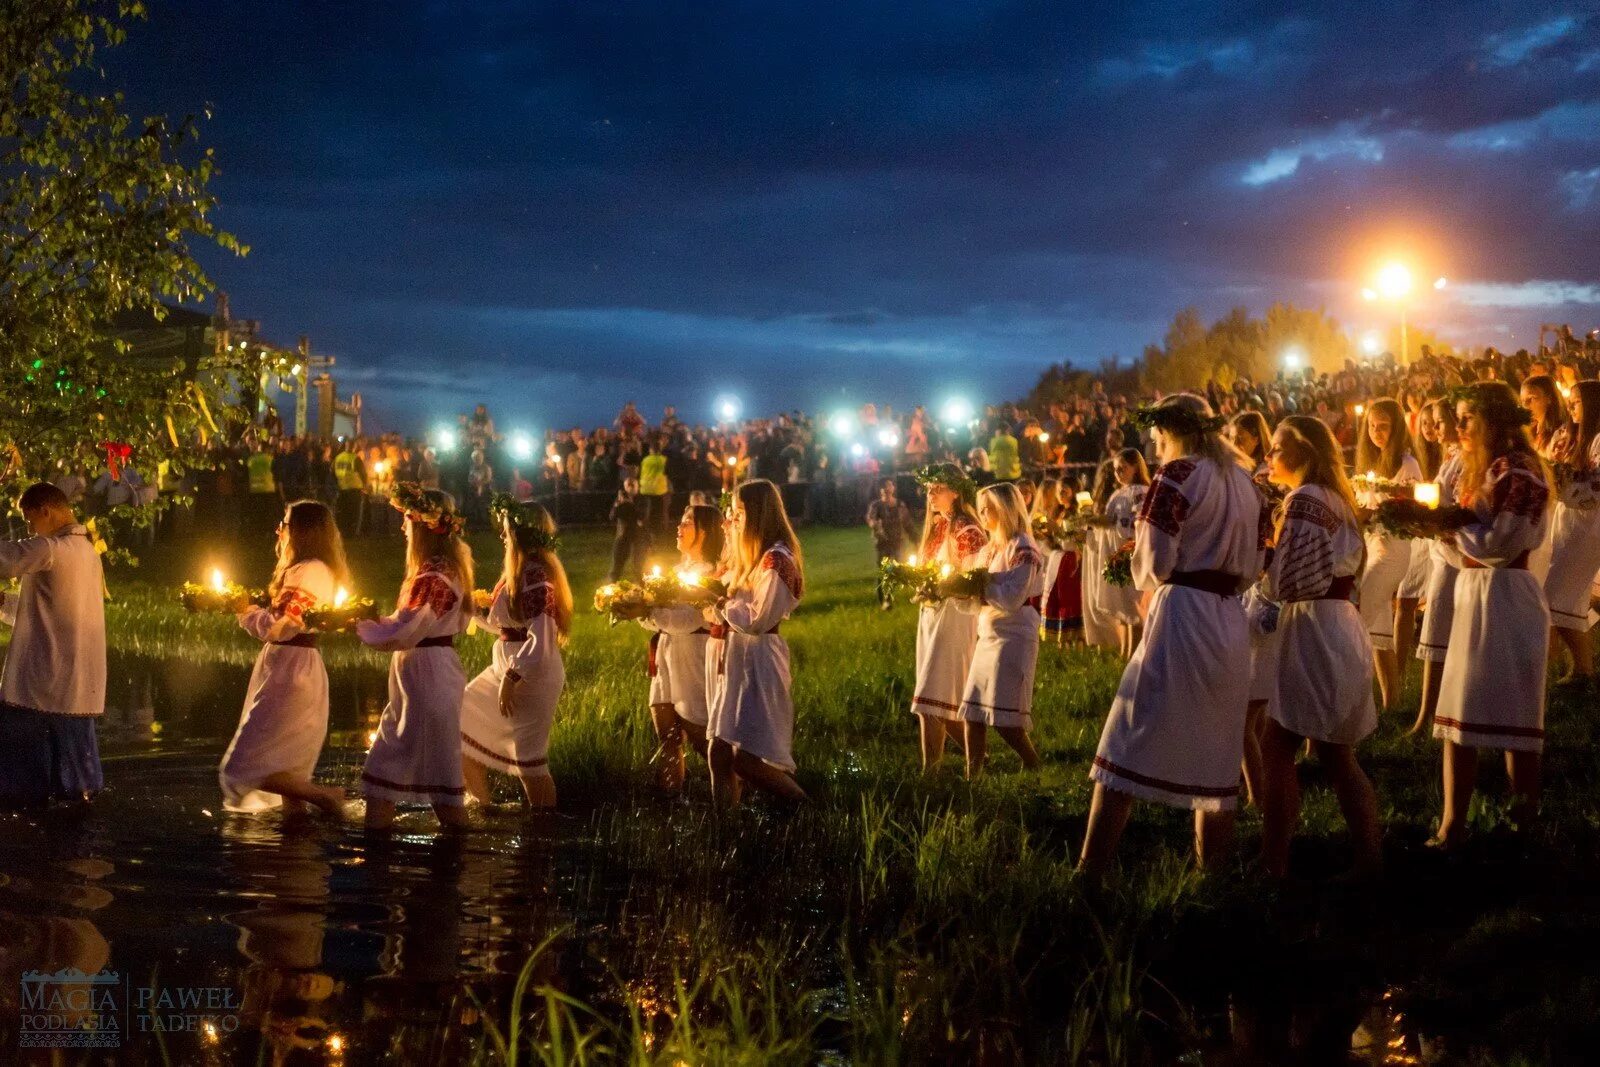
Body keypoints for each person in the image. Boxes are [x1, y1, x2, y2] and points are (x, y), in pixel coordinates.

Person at [1080, 394, 1266, 875]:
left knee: (1129, 731)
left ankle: (1090, 869)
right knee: (1219, 745)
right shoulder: (1246, 483)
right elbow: (1256, 561)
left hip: (1182, 613)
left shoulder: (1177, 475)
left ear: (1168, 433)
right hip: (1229, 619)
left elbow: (1155, 561)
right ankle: (1215, 874)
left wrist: (1140, 563)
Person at [1255, 417, 1382, 879]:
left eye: (1277, 447)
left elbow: (1291, 581)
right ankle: (1369, 857)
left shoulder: (1306, 500)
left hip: (1315, 629)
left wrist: (1266, 547)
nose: (1269, 456)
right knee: (1334, 753)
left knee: (1278, 746)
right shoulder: (1337, 500)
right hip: (1336, 624)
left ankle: (1275, 862)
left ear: (1305, 453)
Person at [1431, 383, 1552, 847]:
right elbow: (1469, 539)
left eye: (1467, 418)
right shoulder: (1478, 469)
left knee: (1516, 722)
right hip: (1476, 591)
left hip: (1507, 597)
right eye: (1456, 418)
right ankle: (1452, 825)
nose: (1458, 427)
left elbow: (1500, 544)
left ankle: (1523, 828)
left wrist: (1445, 527)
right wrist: (1443, 529)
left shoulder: (1519, 470)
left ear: (1494, 421)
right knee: (1459, 716)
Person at [219, 500, 349, 816]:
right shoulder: (304, 570)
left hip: (292, 671)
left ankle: (326, 796)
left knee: (242, 766)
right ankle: (295, 854)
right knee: (288, 777)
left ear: (303, 531)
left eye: (286, 523)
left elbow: (282, 627)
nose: (280, 529)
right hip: (287, 666)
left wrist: (246, 611)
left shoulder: (312, 571)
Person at [356, 486, 474, 831]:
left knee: (404, 775)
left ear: (422, 525)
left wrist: (362, 628)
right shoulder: (439, 568)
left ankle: (384, 865)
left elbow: (411, 627)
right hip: (423, 676)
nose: (402, 529)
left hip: (428, 677)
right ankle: (386, 862)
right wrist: (370, 623)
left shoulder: (435, 573)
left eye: (407, 521)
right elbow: (408, 622)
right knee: (396, 777)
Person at [701, 480, 807, 807]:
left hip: (760, 659)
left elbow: (759, 620)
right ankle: (726, 827)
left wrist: (719, 602)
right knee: (719, 751)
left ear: (758, 514)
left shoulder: (776, 559)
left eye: (741, 513)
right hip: (738, 658)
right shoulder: (754, 557)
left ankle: (804, 806)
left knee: (746, 761)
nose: (734, 521)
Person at [460, 497, 571, 808]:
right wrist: (473, 612)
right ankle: (483, 808)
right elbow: (507, 627)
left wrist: (511, 676)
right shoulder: (516, 573)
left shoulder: (536, 575)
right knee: (459, 722)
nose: (502, 536)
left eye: (506, 529)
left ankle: (543, 833)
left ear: (520, 533)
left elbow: (542, 637)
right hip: (506, 667)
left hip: (531, 674)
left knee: (528, 762)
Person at [0, 483, 106, 808]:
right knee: (78, 787)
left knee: (22, 784)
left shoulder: (53, 549)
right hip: (77, 688)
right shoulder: (87, 553)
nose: (30, 530)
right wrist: (4, 601)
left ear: (46, 511)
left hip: (42, 684)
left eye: (30, 522)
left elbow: (8, 559)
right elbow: (48, 608)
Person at [952, 482, 1045, 777]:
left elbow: (1014, 596)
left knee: (1005, 718)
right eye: (980, 508)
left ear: (1005, 508)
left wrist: (979, 585)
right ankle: (973, 774)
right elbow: (977, 595)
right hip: (988, 633)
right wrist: (953, 590)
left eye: (987, 507)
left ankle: (1032, 763)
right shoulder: (989, 550)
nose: (982, 513)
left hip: (1014, 634)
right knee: (973, 711)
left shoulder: (1024, 547)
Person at [636, 505, 724, 790]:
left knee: (699, 733)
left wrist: (649, 613)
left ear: (705, 532)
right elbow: (661, 622)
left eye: (687, 522)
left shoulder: (712, 574)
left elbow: (688, 620)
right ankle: (672, 800)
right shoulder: (674, 572)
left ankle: (733, 789)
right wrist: (639, 610)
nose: (679, 526)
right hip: (666, 654)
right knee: (667, 736)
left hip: (692, 655)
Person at [908, 464, 987, 771]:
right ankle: (977, 754)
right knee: (939, 699)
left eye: (936, 488)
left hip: (954, 616)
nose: (930, 494)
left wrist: (941, 585)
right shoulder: (939, 527)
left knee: (931, 696)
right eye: (928, 489)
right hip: (931, 616)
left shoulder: (968, 530)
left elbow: (970, 582)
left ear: (955, 492)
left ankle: (931, 773)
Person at [1353, 398, 1422, 711]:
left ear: (1396, 429)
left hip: (1393, 551)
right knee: (1380, 633)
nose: (1376, 432)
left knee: (1355, 621)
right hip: (1371, 547)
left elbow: (1413, 511)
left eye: (1383, 426)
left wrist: (1376, 513)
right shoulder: (1372, 464)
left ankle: (1350, 703)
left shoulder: (1406, 465)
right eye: (1371, 426)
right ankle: (1392, 705)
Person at [1411, 398, 1463, 736]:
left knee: (1438, 627)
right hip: (1442, 550)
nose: (1436, 428)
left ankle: (1430, 713)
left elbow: (1458, 505)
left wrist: (1434, 518)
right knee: (1438, 627)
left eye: (1440, 421)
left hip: (1455, 553)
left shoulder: (1464, 460)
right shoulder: (1450, 458)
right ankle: (1429, 712)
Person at [1542, 380, 1600, 685]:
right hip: (1568, 525)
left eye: (1576, 402)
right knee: (1569, 598)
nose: (1570, 407)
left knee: (1553, 597)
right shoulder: (1574, 437)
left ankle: (1585, 670)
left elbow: (1595, 489)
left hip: (1589, 528)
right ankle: (1582, 669)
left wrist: (1559, 485)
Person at [1098, 448, 1151, 660]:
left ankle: (1135, 655)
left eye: (1123, 468)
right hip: (1117, 551)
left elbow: (1140, 521)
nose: (1118, 473)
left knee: (1133, 604)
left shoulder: (1140, 491)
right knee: (1123, 605)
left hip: (1130, 550)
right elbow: (1110, 519)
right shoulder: (1118, 493)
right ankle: (1124, 652)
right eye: (1116, 470)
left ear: (1136, 467)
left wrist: (1132, 545)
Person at [866, 479, 914, 608]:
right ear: (880, 490)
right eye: (884, 486)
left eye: (889, 485)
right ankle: (885, 600)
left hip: (898, 544)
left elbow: (908, 524)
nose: (887, 489)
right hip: (883, 544)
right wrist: (876, 525)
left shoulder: (900, 505)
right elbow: (871, 520)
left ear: (893, 488)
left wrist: (916, 539)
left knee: (898, 571)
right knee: (885, 572)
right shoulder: (876, 506)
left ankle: (892, 595)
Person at [608, 477, 646, 582]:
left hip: (638, 535)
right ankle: (612, 586)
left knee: (639, 564)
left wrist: (630, 504)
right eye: (628, 485)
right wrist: (617, 506)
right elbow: (612, 517)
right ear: (625, 487)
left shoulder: (642, 499)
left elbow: (642, 518)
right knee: (618, 563)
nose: (631, 488)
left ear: (637, 486)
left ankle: (641, 585)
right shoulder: (621, 500)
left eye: (633, 485)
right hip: (623, 534)